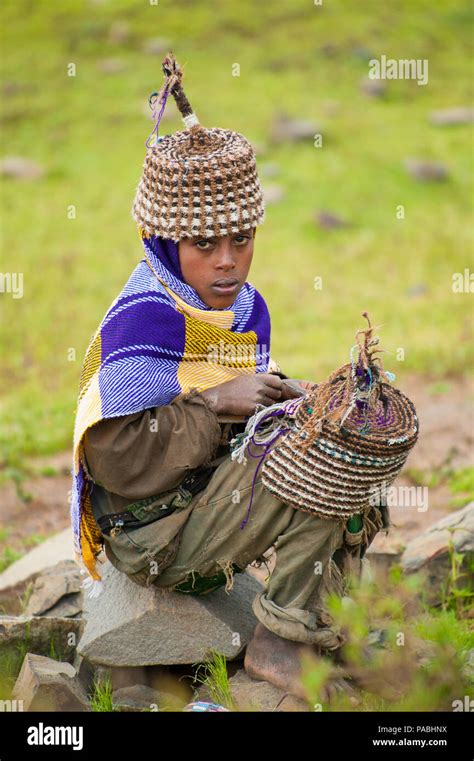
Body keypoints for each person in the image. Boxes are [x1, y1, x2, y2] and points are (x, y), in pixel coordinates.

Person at [71, 53, 367, 699]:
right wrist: (215, 404)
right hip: (153, 533)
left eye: (242, 238)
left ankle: (327, 621)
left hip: (208, 501)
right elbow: (116, 460)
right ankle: (280, 641)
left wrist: (289, 398)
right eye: (205, 245)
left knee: (342, 441)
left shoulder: (242, 308)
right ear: (164, 243)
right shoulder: (144, 319)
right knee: (318, 471)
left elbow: (240, 409)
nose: (227, 260)